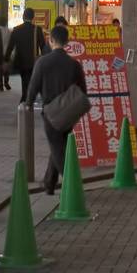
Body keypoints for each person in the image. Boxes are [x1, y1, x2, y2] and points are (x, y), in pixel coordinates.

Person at [23, 25, 88, 194]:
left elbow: (33, 86)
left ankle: (72, 183)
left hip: (51, 112)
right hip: (69, 113)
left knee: (57, 148)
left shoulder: (43, 62)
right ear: (67, 41)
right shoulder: (74, 64)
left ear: (51, 40)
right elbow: (83, 90)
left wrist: (28, 103)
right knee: (59, 144)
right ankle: (49, 184)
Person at [4, 9, 46, 102]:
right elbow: (43, 46)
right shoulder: (37, 29)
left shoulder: (16, 29)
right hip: (33, 61)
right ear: (33, 17)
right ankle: (28, 97)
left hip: (20, 61)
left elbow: (10, 46)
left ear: (23, 16)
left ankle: (25, 97)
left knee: (24, 79)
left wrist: (6, 59)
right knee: (31, 79)